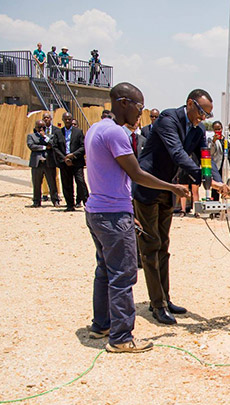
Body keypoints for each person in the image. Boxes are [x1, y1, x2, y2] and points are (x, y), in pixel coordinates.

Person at [84, 82, 190, 352]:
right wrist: (172, 187)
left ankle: (102, 325)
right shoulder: (116, 134)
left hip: (96, 211)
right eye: (138, 107)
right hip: (112, 214)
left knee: (104, 271)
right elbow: (137, 174)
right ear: (122, 103)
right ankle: (121, 338)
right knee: (123, 274)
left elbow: (113, 175)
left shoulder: (96, 128)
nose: (140, 114)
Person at [134, 88, 230, 325]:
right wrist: (208, 181)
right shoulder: (167, 119)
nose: (203, 118)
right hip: (148, 186)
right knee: (151, 246)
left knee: (164, 244)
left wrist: (219, 182)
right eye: (202, 112)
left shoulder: (197, 129)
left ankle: (165, 298)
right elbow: (178, 155)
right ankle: (157, 305)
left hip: (168, 189)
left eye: (208, 114)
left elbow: (204, 156)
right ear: (190, 104)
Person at [52, 111, 87, 211]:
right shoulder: (58, 133)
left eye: (69, 119)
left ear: (72, 120)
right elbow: (55, 147)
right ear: (62, 120)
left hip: (76, 161)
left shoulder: (78, 132)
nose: (67, 121)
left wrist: (73, 155)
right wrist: (64, 158)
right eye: (65, 119)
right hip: (64, 162)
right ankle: (70, 205)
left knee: (80, 182)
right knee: (66, 183)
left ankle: (87, 203)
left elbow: (83, 146)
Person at [27, 120, 59, 207]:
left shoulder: (50, 136)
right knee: (36, 183)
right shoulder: (31, 136)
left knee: (52, 183)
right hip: (37, 163)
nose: (41, 129)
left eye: (43, 127)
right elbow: (31, 146)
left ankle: (55, 200)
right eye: (39, 127)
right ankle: (36, 201)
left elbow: (53, 145)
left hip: (48, 163)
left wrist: (44, 137)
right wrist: (45, 147)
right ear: (35, 128)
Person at [39, 112, 60, 205]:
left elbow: (54, 142)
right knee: (43, 176)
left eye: (48, 117)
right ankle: (45, 193)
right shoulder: (39, 130)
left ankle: (56, 193)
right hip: (43, 156)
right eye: (44, 118)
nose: (46, 119)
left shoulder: (56, 130)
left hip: (54, 156)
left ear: (51, 119)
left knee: (55, 176)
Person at [208, 121, 226, 200]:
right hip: (216, 165)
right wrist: (213, 142)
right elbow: (210, 152)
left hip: (225, 165)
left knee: (225, 184)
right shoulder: (211, 139)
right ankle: (215, 204)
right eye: (215, 129)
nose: (217, 131)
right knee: (216, 185)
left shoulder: (226, 138)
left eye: (219, 129)